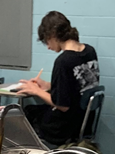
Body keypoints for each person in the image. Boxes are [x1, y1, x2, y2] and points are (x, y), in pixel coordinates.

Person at [16, 11, 100, 146]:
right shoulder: (89, 51)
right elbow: (78, 86)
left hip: (65, 128)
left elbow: (63, 106)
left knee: (25, 113)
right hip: (85, 121)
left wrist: (36, 91)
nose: (48, 47)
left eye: (47, 41)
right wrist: (49, 86)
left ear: (53, 35)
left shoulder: (63, 61)